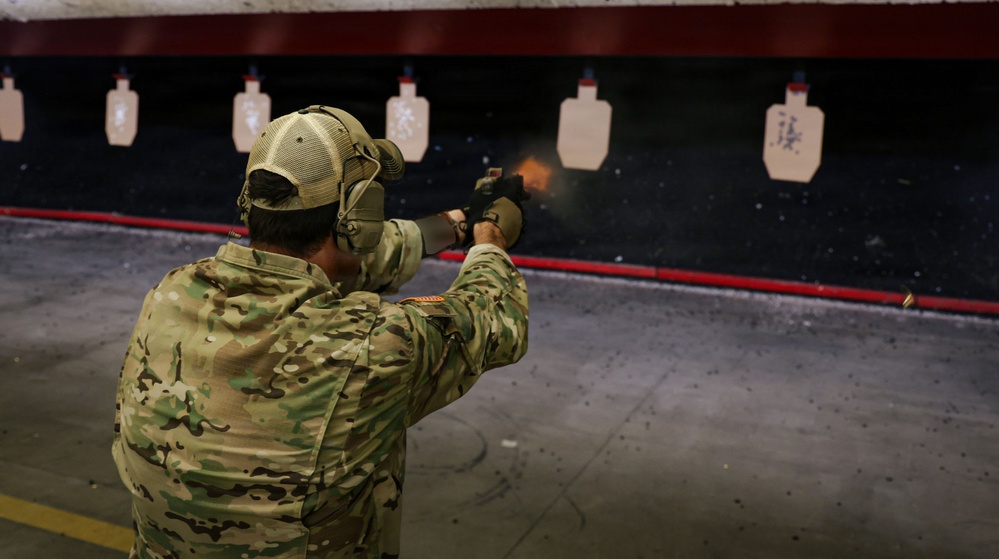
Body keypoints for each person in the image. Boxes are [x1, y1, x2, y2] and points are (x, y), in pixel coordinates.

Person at [112, 105, 529, 559]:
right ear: (361, 214)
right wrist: (489, 238)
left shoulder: (169, 296)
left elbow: (339, 256)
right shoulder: (373, 347)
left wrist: (459, 223)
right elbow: (495, 315)